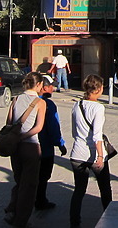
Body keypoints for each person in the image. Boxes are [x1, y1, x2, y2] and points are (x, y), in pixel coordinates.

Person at [4, 72, 47, 228]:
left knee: (19, 180)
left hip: (14, 146)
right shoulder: (40, 102)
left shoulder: (15, 99)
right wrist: (24, 136)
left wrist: (17, 137)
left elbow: (8, 122)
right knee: (29, 185)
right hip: (30, 145)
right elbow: (38, 127)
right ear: (38, 85)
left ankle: (11, 210)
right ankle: (21, 220)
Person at [70, 74, 112, 227]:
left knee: (79, 191)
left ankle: (74, 223)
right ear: (99, 89)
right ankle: (109, 218)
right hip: (94, 154)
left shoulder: (77, 105)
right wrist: (100, 155)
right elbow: (97, 135)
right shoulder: (98, 107)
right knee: (105, 189)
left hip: (77, 153)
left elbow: (74, 132)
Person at [36, 74, 67, 210]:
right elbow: (53, 126)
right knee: (43, 176)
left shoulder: (26, 100)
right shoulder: (48, 105)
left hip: (27, 146)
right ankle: (40, 200)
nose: (53, 89)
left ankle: (23, 201)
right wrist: (60, 143)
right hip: (45, 147)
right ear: (44, 87)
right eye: (51, 86)